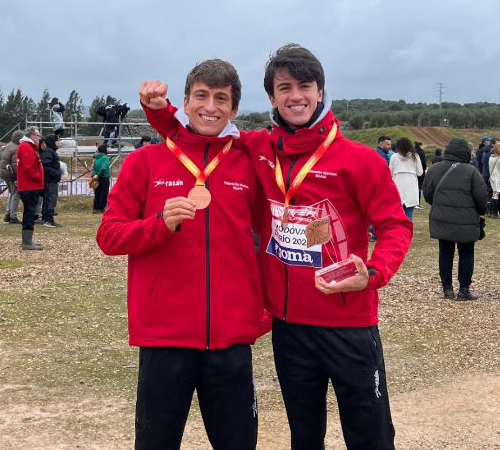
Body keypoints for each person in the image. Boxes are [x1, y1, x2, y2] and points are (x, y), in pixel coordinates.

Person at [141, 43, 413, 450]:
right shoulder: (260, 148)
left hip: (348, 323)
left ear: (320, 92)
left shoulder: (359, 160)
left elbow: (395, 225)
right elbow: (201, 129)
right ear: (272, 97)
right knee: (304, 436)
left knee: (370, 436)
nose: (295, 96)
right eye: (285, 88)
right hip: (290, 327)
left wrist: (374, 272)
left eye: (305, 86)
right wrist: (157, 109)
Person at [98, 59, 269, 450]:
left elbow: (271, 237)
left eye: (221, 98)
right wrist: (159, 224)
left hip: (231, 340)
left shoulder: (248, 164)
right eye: (202, 96)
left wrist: (262, 311)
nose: (210, 107)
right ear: (186, 102)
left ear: (234, 109)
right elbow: (108, 236)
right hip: (164, 338)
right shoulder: (144, 162)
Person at [423, 138, 487, 300]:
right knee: (466, 253)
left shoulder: (434, 169)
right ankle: (464, 290)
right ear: (466, 152)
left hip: (442, 218)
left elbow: (428, 194)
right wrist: (481, 212)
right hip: (467, 220)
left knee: (445, 252)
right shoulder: (471, 171)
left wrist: (440, 205)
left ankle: (447, 289)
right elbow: (481, 197)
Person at [17, 126, 44, 250]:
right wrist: (38, 177)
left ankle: (28, 239)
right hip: (29, 185)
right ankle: (27, 242)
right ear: (32, 135)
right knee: (29, 212)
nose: (39, 138)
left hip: (30, 185)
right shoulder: (26, 147)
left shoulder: (28, 146)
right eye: (38, 135)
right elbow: (28, 167)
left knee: (30, 212)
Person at [389, 138, 423, 220]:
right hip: (411, 188)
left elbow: (389, 173)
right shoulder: (415, 156)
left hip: (397, 187)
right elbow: (420, 172)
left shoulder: (394, 157)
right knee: (408, 215)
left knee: (397, 216)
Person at [0, 130, 24, 224]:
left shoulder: (9, 145)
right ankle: (13, 216)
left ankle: (8, 214)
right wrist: (17, 178)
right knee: (16, 194)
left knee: (12, 193)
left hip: (4, 173)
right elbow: (15, 165)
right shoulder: (17, 148)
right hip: (11, 174)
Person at [40, 134, 62, 227]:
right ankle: (49, 220)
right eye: (57, 140)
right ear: (52, 142)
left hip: (50, 180)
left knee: (48, 199)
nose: (58, 142)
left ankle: (46, 218)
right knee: (51, 199)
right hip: (50, 180)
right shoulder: (48, 151)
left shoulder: (50, 151)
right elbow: (45, 166)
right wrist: (56, 173)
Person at [92, 145, 110, 213]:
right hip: (104, 177)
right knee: (104, 193)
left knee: (97, 193)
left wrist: (95, 175)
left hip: (95, 178)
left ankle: (95, 208)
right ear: (104, 149)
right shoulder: (105, 157)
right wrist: (98, 175)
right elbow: (103, 167)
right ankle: (102, 208)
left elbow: (94, 168)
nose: (109, 149)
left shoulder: (96, 157)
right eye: (108, 148)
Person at [488, 142, 500, 219]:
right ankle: (494, 213)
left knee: (494, 195)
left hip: (493, 178)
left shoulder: (491, 157)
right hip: (497, 178)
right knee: (496, 195)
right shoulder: (498, 159)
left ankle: (491, 212)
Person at [414, 141, 427, 208]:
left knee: (414, 187)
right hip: (420, 171)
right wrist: (424, 168)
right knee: (419, 187)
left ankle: (414, 202)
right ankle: (417, 203)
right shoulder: (421, 152)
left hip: (414, 171)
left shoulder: (414, 151)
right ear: (420, 146)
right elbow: (424, 163)